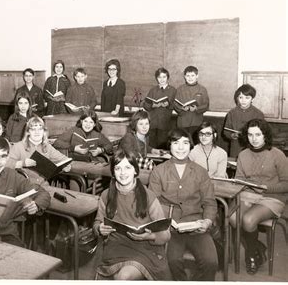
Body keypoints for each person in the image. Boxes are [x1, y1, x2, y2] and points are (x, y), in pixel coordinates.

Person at [148, 128, 218, 281]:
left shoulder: (200, 172)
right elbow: (152, 203)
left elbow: (210, 202)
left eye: (185, 143)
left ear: (191, 146)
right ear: (169, 146)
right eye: (176, 143)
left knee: (210, 262)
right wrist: (165, 220)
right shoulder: (159, 171)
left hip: (197, 227)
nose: (181, 148)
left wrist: (207, 221)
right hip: (170, 229)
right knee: (172, 261)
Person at [93, 149, 172, 280]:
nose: (123, 173)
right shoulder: (106, 195)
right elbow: (97, 223)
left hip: (145, 249)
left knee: (123, 277)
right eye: (118, 168)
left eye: (128, 167)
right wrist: (99, 228)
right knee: (120, 276)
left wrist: (150, 236)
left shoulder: (148, 196)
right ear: (113, 172)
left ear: (135, 171)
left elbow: (166, 234)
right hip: (115, 249)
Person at [231, 118, 288, 275]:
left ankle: (251, 256)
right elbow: (239, 180)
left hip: (273, 197)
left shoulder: (277, 154)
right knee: (233, 218)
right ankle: (257, 247)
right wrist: (243, 184)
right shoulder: (243, 155)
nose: (253, 139)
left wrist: (266, 188)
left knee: (248, 220)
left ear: (265, 135)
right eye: (250, 134)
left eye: (258, 134)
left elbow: (286, 183)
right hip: (249, 194)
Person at [6, 116, 72, 186]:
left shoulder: (47, 147)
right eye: (33, 129)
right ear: (28, 132)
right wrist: (22, 163)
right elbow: (4, 163)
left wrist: (65, 166)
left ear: (44, 132)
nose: (37, 132)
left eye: (40, 129)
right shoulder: (19, 146)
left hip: (43, 185)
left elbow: (64, 159)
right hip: (23, 186)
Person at [223, 84, 264, 158]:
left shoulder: (258, 114)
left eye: (247, 98)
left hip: (252, 147)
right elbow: (226, 131)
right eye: (241, 97)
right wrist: (232, 135)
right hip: (236, 148)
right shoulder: (232, 113)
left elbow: (263, 133)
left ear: (252, 99)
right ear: (237, 98)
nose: (243, 100)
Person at [143, 67, 177, 149]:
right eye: (159, 77)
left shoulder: (173, 90)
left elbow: (176, 105)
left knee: (162, 146)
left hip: (164, 123)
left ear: (167, 77)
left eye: (164, 77)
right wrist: (153, 105)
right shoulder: (153, 90)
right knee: (152, 146)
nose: (162, 79)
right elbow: (146, 105)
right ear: (156, 78)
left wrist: (168, 104)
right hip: (153, 123)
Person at [174, 66, 209, 137]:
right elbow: (175, 104)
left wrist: (196, 108)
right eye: (188, 76)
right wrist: (181, 108)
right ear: (184, 77)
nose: (190, 78)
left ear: (197, 76)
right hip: (182, 122)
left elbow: (206, 105)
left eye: (192, 75)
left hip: (196, 122)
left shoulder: (202, 89)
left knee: (195, 144)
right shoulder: (180, 89)